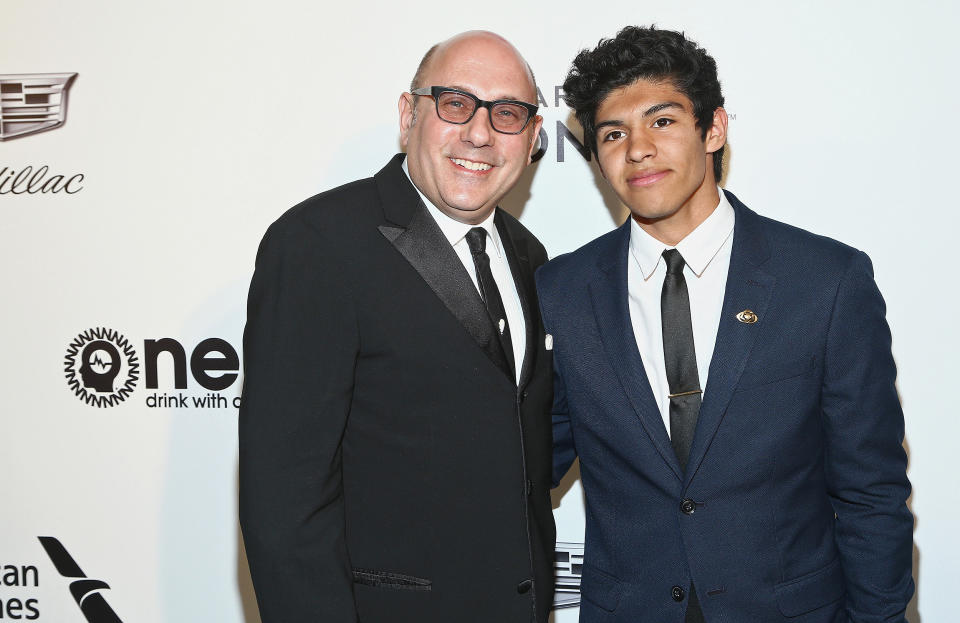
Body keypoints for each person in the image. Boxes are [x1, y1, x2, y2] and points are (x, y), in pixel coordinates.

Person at [537, 26, 914, 622]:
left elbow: (871, 493)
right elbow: (524, 465)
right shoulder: (562, 292)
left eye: (661, 121)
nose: (637, 148)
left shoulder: (825, 282)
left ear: (713, 128)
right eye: (613, 133)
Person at [239, 31, 555, 623]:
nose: (480, 133)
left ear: (534, 137)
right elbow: (284, 500)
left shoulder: (529, 257)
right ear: (410, 114)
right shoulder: (318, 244)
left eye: (508, 114)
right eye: (456, 103)